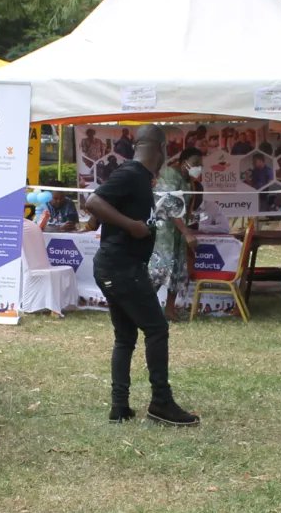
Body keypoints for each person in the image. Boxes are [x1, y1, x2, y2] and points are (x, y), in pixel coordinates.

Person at [85, 124, 199, 426]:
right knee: (157, 328)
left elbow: (98, 210)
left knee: (125, 336)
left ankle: (119, 406)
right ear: (159, 148)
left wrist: (104, 221)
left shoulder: (139, 178)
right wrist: (130, 225)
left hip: (116, 265)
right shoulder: (131, 174)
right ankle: (161, 402)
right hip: (122, 267)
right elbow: (93, 201)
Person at [149, 148, 202, 319]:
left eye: (200, 164)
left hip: (178, 233)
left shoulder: (188, 181)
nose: (198, 167)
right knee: (159, 271)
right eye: (195, 164)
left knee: (178, 271)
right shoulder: (169, 175)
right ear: (182, 161)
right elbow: (169, 205)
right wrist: (187, 232)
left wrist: (190, 223)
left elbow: (185, 208)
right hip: (164, 233)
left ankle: (170, 310)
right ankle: (144, 308)